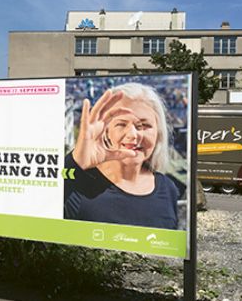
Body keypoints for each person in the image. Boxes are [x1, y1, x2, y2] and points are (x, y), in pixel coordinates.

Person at [64, 82, 182, 229]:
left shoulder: (168, 188)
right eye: (121, 124)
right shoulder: (76, 182)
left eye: (144, 125)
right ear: (105, 130)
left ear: (158, 133)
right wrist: (75, 162)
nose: (133, 135)